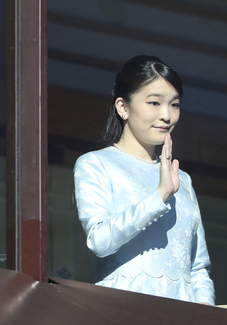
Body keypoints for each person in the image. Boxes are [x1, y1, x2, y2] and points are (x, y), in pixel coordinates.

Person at [73, 55, 215, 304]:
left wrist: (207, 314)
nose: (166, 115)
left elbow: (198, 268)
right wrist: (159, 196)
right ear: (123, 107)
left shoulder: (182, 180)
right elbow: (99, 241)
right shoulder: (96, 164)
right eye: (154, 103)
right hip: (123, 311)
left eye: (174, 104)